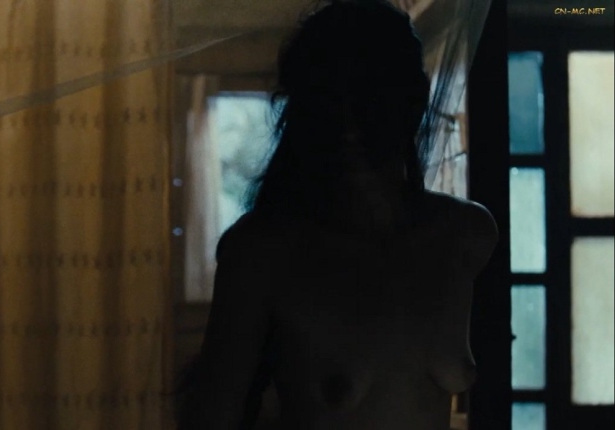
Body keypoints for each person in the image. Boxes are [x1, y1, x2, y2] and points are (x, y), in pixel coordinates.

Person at [175, 0, 498, 429]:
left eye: (367, 99)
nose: (348, 126)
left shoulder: (465, 236)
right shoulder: (264, 253)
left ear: (411, 102)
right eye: (328, 102)